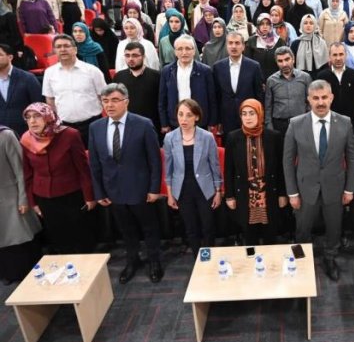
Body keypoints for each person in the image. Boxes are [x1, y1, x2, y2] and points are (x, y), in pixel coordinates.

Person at [89, 83, 164, 283]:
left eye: (115, 100)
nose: (109, 105)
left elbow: (154, 161)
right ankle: (132, 260)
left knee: (149, 228)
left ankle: (154, 261)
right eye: (105, 101)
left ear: (126, 102)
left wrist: (154, 188)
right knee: (126, 229)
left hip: (140, 188)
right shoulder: (95, 128)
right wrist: (99, 192)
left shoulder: (143, 124)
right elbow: (95, 164)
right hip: (113, 190)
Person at [283, 79, 354, 281]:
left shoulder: (345, 122)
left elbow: (351, 158)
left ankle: (330, 258)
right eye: (315, 98)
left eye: (324, 97)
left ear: (331, 98)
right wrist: (292, 193)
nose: (320, 102)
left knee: (334, 228)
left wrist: (350, 189)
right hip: (305, 189)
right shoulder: (296, 124)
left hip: (335, 187)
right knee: (302, 229)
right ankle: (301, 261)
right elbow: (288, 161)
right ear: (308, 100)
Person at [21, 102, 96, 253]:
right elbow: (28, 174)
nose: (32, 121)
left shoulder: (70, 135)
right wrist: (33, 202)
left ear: (48, 117)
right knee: (59, 239)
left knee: (81, 237)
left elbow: (83, 169)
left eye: (37, 116)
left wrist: (89, 196)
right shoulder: (26, 139)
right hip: (44, 197)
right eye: (28, 117)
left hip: (71, 194)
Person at [164, 99, 222, 257]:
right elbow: (168, 169)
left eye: (188, 115)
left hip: (205, 188)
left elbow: (215, 166)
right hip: (182, 190)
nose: (183, 119)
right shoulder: (170, 138)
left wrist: (218, 191)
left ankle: (209, 256)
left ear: (196, 117)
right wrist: (170, 194)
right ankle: (198, 257)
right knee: (190, 227)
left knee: (208, 226)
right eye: (180, 114)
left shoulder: (207, 137)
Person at [225, 99, 287, 245]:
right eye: (244, 114)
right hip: (246, 194)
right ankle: (252, 263)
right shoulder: (233, 137)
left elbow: (280, 168)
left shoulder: (274, 136)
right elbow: (228, 169)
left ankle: (270, 265)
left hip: (268, 193)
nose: (248, 117)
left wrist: (282, 194)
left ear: (260, 114)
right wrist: (229, 196)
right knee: (249, 235)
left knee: (270, 234)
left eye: (252, 113)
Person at [43, 34, 106, 147]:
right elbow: (50, 99)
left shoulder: (92, 71)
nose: (62, 49)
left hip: (93, 123)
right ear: (54, 51)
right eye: (58, 47)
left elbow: (103, 97)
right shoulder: (49, 73)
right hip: (65, 126)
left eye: (66, 46)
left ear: (75, 49)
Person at [0, 124, 41, 285]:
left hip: (11, 197)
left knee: (19, 237)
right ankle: (8, 274)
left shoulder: (5, 135)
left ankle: (28, 274)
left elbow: (20, 169)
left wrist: (24, 198)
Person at [212, 32, 264, 141]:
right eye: (230, 43)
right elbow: (216, 96)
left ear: (243, 46)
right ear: (226, 46)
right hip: (226, 117)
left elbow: (259, 94)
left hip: (249, 117)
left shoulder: (254, 66)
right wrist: (217, 120)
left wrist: (259, 117)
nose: (234, 46)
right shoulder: (218, 67)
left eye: (237, 43)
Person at [159, 35, 217, 133]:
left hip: (199, 121)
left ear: (194, 51)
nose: (184, 52)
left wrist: (212, 122)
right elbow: (162, 100)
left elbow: (212, 99)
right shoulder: (167, 71)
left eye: (188, 49)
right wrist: (164, 123)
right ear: (175, 52)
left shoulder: (205, 71)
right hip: (175, 122)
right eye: (180, 49)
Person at [113, 42, 161, 133]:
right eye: (127, 55)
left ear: (143, 56)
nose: (130, 59)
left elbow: (161, 102)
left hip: (152, 125)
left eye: (135, 55)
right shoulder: (119, 76)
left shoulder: (156, 76)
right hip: (127, 126)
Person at [317, 42, 354, 130]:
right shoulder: (322, 76)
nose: (338, 58)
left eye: (341, 54)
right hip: (330, 125)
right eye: (335, 55)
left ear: (346, 55)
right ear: (329, 57)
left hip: (351, 126)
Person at [265, 47, 312, 134]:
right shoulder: (271, 81)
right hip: (279, 125)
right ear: (276, 62)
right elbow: (268, 106)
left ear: (293, 59)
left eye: (287, 59)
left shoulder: (305, 77)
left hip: (301, 122)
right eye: (280, 61)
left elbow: (310, 102)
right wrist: (269, 127)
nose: (284, 64)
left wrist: (309, 123)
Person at [0, 44, 42, 136]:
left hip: (25, 132)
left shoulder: (27, 78)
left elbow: (38, 105)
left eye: (0, 55)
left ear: (10, 57)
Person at [244, 13, 286, 79]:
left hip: (276, 79)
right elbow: (247, 62)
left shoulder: (279, 41)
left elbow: (284, 62)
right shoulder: (252, 40)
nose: (265, 26)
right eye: (262, 24)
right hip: (257, 79)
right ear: (258, 25)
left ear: (271, 25)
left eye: (267, 24)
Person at [290, 14, 329, 78]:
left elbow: (325, 64)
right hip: (300, 78)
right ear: (301, 25)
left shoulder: (321, 42)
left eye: (311, 23)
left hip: (319, 79)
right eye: (305, 23)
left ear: (315, 25)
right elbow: (292, 65)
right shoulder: (295, 43)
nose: (308, 25)